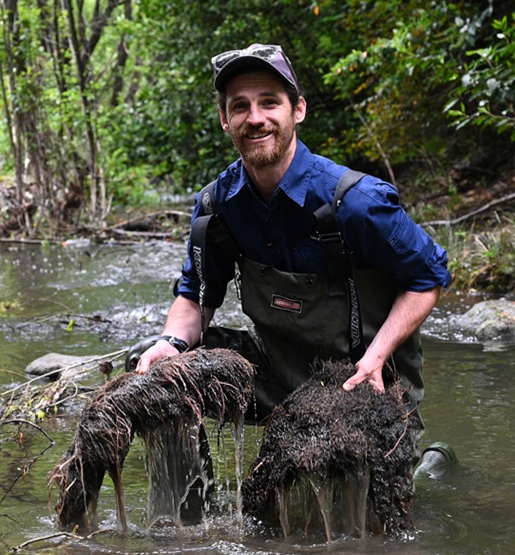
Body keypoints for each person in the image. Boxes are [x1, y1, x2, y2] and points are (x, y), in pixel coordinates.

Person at [129, 43, 452, 435]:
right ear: (224, 119)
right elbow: (197, 295)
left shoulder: (357, 203)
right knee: (157, 367)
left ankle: (431, 458)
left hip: (367, 383)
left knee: (376, 484)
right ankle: (195, 496)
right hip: (277, 378)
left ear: (297, 110)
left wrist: (375, 358)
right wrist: (171, 343)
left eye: (269, 103)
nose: (255, 118)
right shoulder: (216, 207)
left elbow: (428, 277)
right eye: (240, 107)